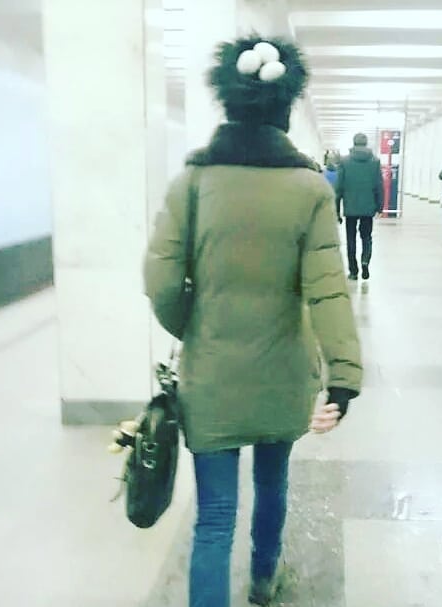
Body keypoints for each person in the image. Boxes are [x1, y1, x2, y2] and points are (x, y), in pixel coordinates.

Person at [143, 36, 362, 607]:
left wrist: (193, 326)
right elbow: (328, 290)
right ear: (284, 111)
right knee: (272, 484)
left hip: (212, 377)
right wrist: (344, 374)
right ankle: (264, 581)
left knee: (214, 517)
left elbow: (160, 280)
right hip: (283, 372)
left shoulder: (192, 183)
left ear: (229, 104)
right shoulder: (310, 188)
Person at [335, 133, 384, 281]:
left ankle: (353, 271)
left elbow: (339, 187)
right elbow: (379, 185)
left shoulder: (344, 161)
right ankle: (365, 261)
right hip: (368, 207)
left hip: (350, 207)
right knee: (366, 237)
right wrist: (380, 207)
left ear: (354, 143)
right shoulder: (375, 161)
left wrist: (337, 210)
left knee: (351, 239)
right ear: (366, 143)